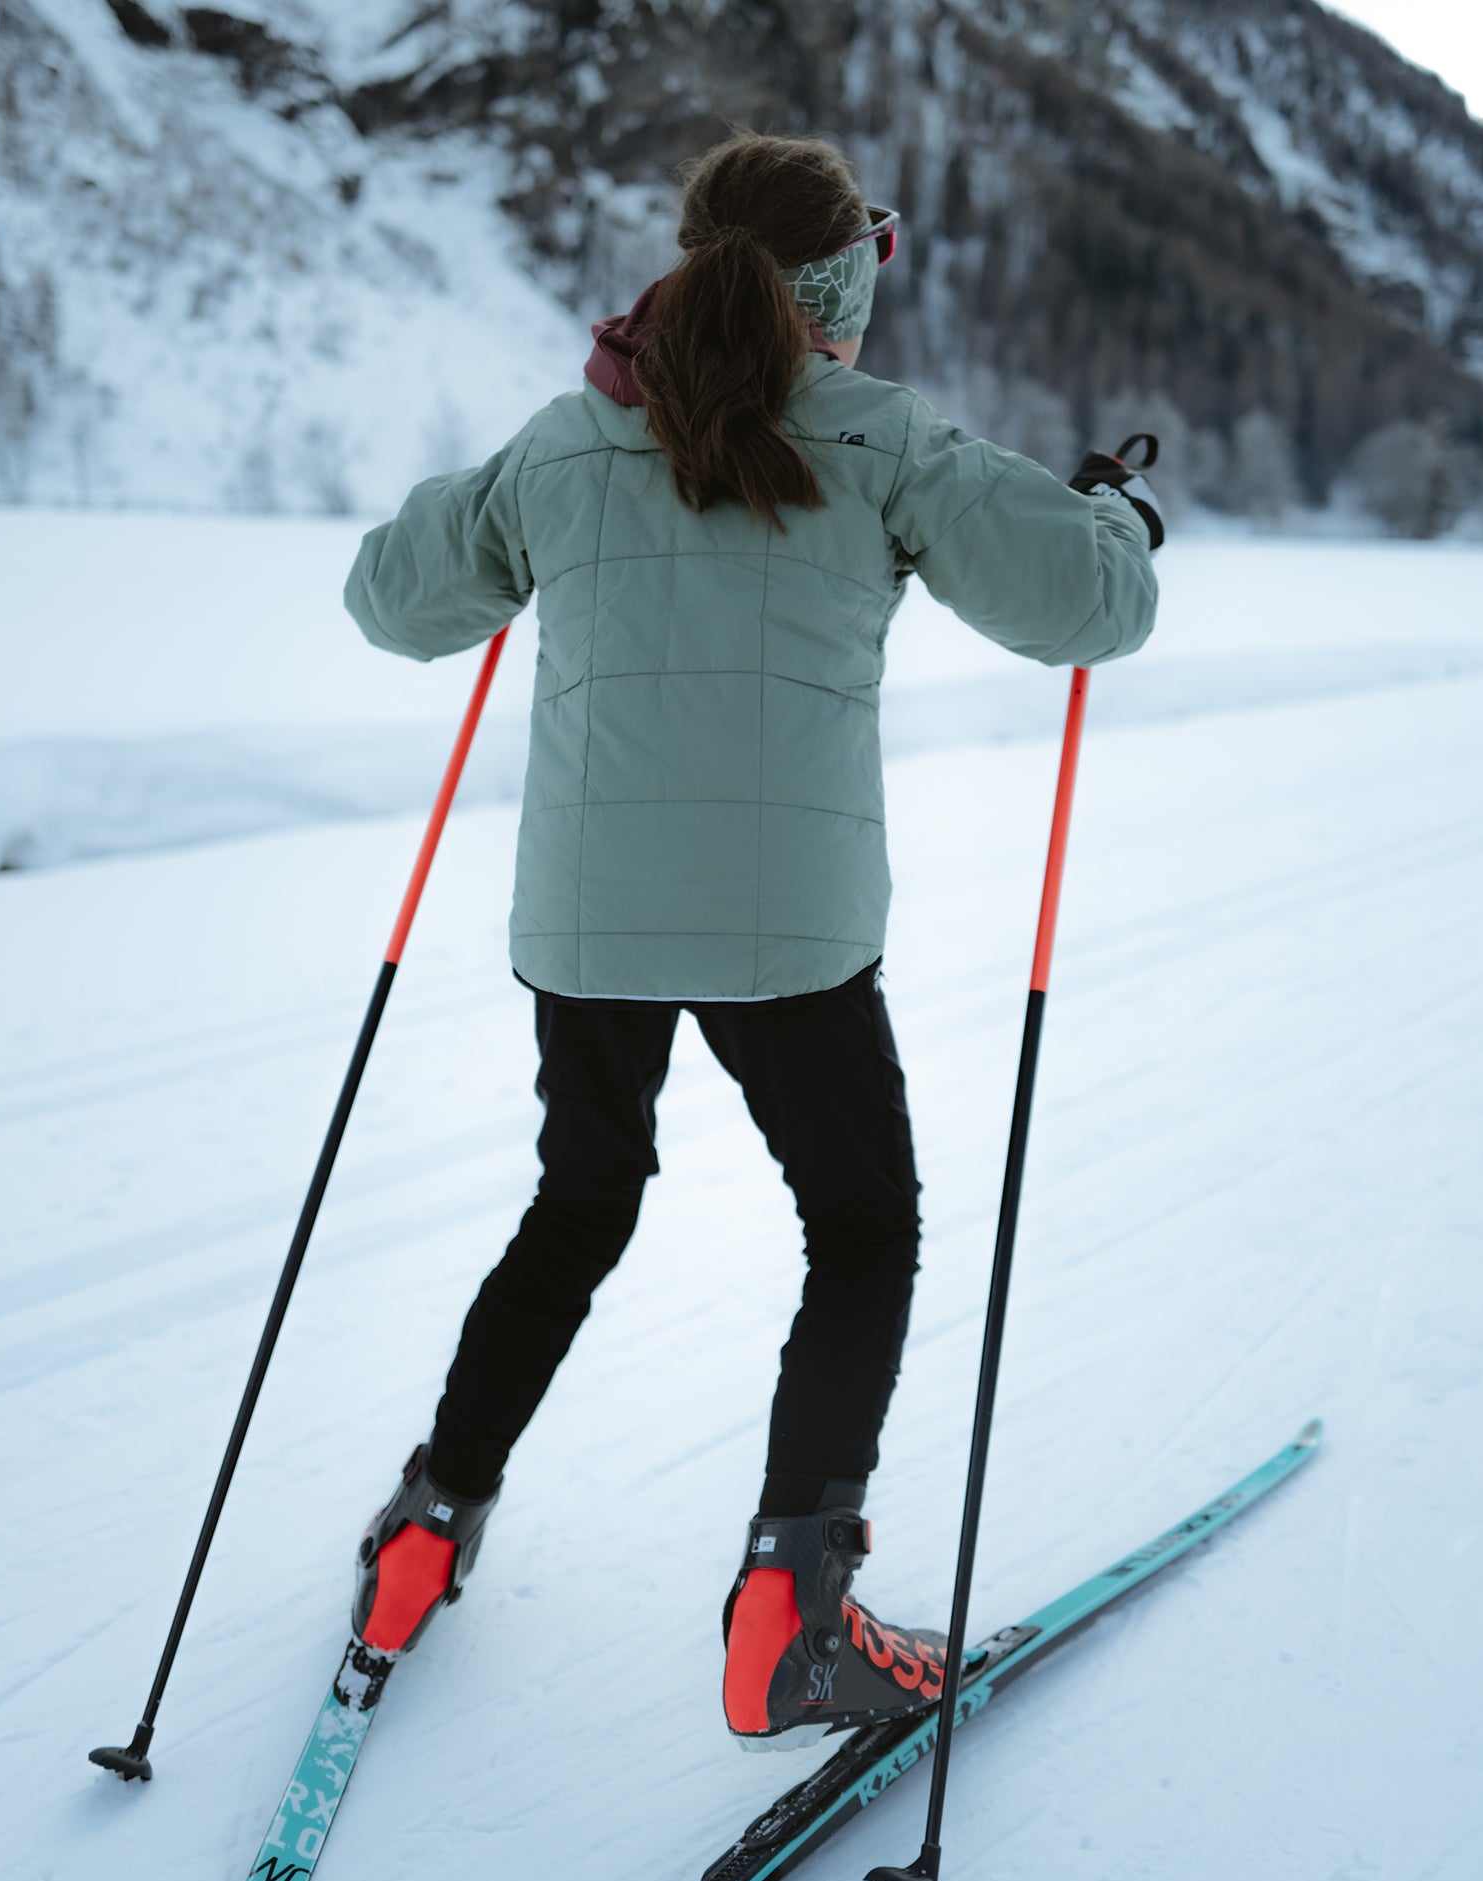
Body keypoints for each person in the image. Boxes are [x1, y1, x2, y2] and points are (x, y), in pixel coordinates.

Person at [340, 131, 1160, 1747]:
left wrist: (530, 478)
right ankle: (793, 1607)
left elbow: (391, 599)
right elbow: (1090, 610)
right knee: (859, 1230)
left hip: (584, 932)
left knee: (579, 1203)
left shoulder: (571, 443)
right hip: (790, 940)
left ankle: (425, 1531)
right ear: (847, 290)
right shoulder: (882, 438)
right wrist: (1116, 524)